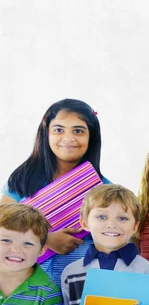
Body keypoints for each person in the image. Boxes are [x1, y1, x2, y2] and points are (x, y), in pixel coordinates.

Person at [1, 99, 109, 285]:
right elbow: (3, 220)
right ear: (46, 134)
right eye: (59, 130)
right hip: (25, 282)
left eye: (78, 130)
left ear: (92, 136)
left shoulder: (103, 189)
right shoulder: (24, 177)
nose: (68, 138)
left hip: (78, 283)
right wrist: (47, 239)